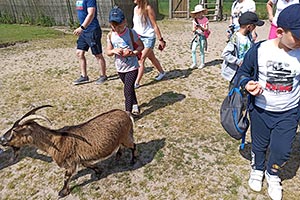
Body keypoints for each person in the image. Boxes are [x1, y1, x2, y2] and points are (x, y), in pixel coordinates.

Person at [234, 4, 300, 200]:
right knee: (259, 145)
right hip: (261, 110)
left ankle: (272, 173)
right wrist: (247, 84)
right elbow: (242, 73)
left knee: (282, 150)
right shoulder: (260, 49)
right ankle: (257, 168)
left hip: (289, 112)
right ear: (280, 32)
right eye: (297, 37)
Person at [106, 6, 144, 115]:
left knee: (127, 90)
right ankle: (135, 105)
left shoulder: (131, 33)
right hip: (120, 68)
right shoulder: (110, 35)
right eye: (114, 25)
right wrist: (114, 50)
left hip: (132, 67)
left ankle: (127, 115)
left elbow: (140, 46)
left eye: (119, 25)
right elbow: (108, 52)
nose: (117, 28)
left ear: (125, 21)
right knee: (129, 88)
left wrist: (132, 53)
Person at [221, 11, 264, 88]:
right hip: (235, 72)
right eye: (254, 25)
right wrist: (238, 61)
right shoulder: (235, 38)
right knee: (234, 92)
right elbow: (225, 54)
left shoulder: (249, 37)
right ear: (249, 27)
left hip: (246, 70)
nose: (255, 28)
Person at [132, 0, 167, 88]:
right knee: (151, 57)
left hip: (148, 38)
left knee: (141, 59)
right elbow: (135, 26)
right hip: (138, 38)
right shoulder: (135, 8)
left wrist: (161, 40)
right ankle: (162, 72)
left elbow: (154, 25)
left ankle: (136, 82)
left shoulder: (148, 8)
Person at [73, 0, 107, 85]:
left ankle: (103, 75)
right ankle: (84, 76)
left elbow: (91, 14)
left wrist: (82, 27)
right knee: (79, 53)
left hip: (92, 30)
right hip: (84, 32)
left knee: (97, 54)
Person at [189, 4, 209, 69]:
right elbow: (193, 29)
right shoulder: (194, 20)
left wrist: (201, 27)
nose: (199, 14)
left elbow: (206, 29)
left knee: (201, 50)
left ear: (202, 12)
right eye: (197, 13)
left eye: (200, 12)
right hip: (196, 37)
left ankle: (202, 63)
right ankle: (194, 63)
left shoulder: (205, 19)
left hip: (202, 36)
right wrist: (195, 28)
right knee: (193, 49)